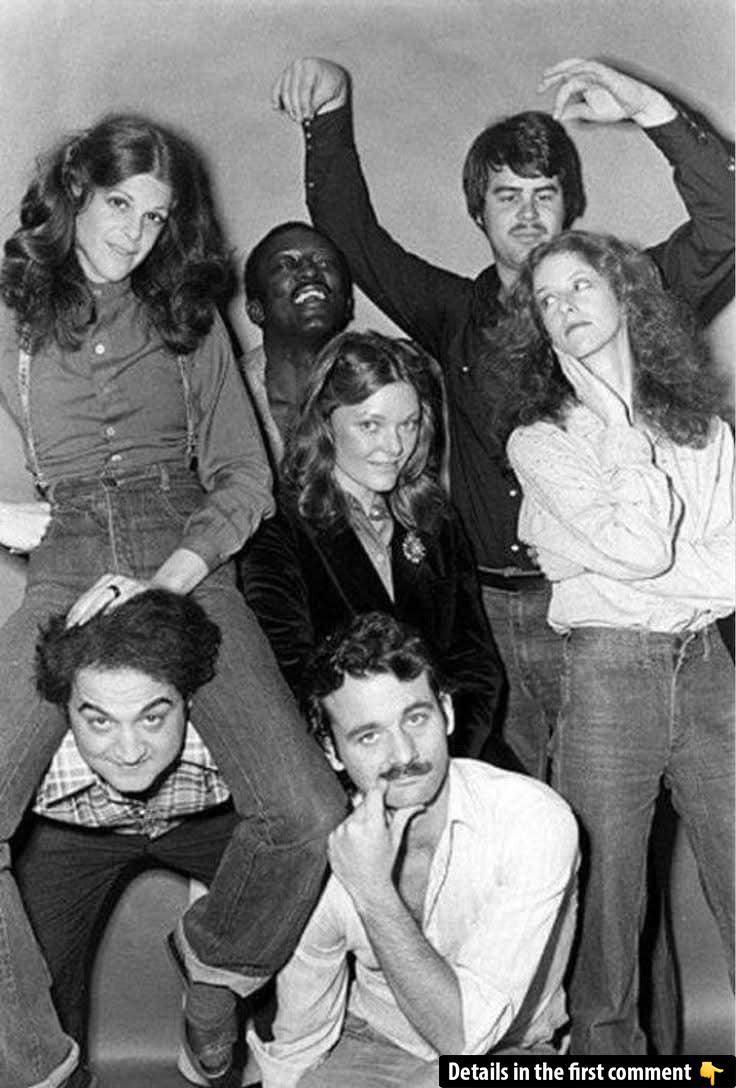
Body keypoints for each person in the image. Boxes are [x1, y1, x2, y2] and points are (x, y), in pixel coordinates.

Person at [270, 55, 735, 780]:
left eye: (544, 194)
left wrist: (652, 109)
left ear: (569, 205)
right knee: (512, 811)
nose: (527, 213)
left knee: (613, 823)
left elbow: (728, 219)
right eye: (506, 196)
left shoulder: (626, 297)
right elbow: (355, 240)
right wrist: (329, 117)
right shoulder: (456, 313)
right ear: (478, 212)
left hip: (610, 608)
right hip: (489, 613)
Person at [0, 114, 346, 1088]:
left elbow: (244, 476)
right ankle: (38, 1065)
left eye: (155, 216)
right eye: (119, 204)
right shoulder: (13, 308)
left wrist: (167, 581)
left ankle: (213, 971)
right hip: (66, 550)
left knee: (309, 811)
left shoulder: (190, 313)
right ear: (74, 194)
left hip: (182, 544)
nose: (136, 232)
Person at [494, 229, 734, 1054]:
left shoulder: (705, 430)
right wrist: (617, 422)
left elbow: (727, 574)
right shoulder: (541, 440)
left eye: (580, 287)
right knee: (604, 918)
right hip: (605, 678)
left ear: (625, 295)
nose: (563, 307)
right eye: (546, 300)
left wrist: (576, 555)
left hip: (710, 671)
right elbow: (645, 547)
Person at [249, 611, 580, 1088]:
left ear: (446, 712)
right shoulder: (321, 849)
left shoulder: (530, 820)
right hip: (372, 1044)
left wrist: (373, 892)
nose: (403, 754)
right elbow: (301, 1037)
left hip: (507, 1051)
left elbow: (465, 1040)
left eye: (416, 718)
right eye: (369, 736)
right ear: (332, 751)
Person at [240, 330, 505, 761]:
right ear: (325, 425)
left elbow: (476, 664)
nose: (395, 447)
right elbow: (290, 673)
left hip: (451, 748)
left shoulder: (433, 517)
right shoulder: (278, 525)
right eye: (370, 425)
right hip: (342, 758)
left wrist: (447, 756)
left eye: (409, 424)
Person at [15, 590, 237, 1088]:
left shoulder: (232, 742)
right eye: (99, 721)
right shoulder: (32, 763)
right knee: (36, 973)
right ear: (64, 712)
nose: (130, 750)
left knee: (288, 902)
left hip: (206, 822)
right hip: (69, 836)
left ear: (190, 702)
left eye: (153, 717)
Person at [242, 220, 354, 467]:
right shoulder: (225, 394)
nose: (310, 272)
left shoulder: (382, 385)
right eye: (286, 264)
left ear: (347, 305)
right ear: (256, 310)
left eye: (324, 262)